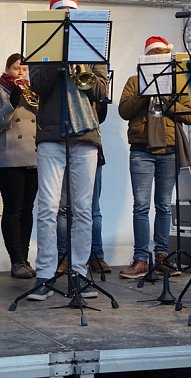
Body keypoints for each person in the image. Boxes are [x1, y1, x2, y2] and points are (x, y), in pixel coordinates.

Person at [26, 0, 107, 301]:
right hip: (50, 135)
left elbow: (100, 89)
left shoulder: (91, 45)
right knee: (46, 208)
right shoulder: (39, 45)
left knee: (83, 209)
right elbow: (38, 86)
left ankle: (79, 273)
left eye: (71, 12)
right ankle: (45, 274)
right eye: (61, 12)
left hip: (85, 135)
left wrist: (83, 67)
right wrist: (59, 61)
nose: (67, 17)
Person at [118, 36, 191, 279]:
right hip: (142, 150)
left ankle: (162, 257)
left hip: (169, 150)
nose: (158, 59)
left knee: (163, 206)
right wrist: (146, 89)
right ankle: (141, 259)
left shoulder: (177, 82)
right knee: (141, 207)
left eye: (163, 56)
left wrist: (168, 99)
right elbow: (124, 111)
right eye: (154, 56)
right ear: (145, 59)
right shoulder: (134, 81)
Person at [0, 53, 38, 279]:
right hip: (8, 159)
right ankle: (16, 260)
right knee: (14, 209)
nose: (21, 72)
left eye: (25, 69)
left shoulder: (35, 92)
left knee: (28, 209)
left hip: (34, 157)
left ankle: (25, 259)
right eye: (17, 68)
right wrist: (12, 103)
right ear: (7, 69)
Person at [56, 102, 109, 274]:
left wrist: (99, 97)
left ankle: (96, 255)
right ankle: (63, 257)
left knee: (92, 209)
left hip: (89, 147)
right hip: (61, 145)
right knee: (63, 208)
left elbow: (100, 115)